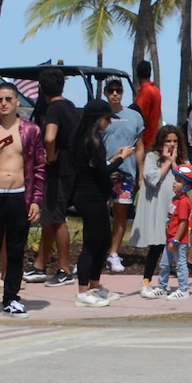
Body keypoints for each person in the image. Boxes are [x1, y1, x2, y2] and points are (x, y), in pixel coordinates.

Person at [0, 83, 44, 317]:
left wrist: (35, 200)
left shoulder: (31, 130)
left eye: (8, 99)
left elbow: (40, 168)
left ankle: (12, 297)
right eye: (0, 99)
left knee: (15, 251)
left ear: (17, 103)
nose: (4, 103)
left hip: (18, 196)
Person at [34, 67, 79, 286]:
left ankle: (64, 268)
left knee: (57, 217)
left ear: (40, 88)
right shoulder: (69, 107)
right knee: (50, 217)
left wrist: (49, 156)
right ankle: (39, 265)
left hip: (59, 169)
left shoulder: (53, 109)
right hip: (71, 168)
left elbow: (50, 137)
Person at [71, 104, 118, 306]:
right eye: (107, 118)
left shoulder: (91, 138)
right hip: (89, 197)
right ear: (98, 117)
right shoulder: (90, 139)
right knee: (91, 243)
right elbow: (102, 172)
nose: (109, 122)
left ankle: (94, 285)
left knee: (104, 241)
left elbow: (100, 168)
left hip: (96, 196)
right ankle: (83, 291)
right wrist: (121, 159)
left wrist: (114, 159)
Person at [100, 78, 143, 273]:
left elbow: (140, 147)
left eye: (118, 90)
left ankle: (113, 254)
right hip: (102, 173)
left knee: (120, 214)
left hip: (125, 174)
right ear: (105, 93)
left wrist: (140, 175)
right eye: (111, 90)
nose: (115, 94)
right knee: (98, 216)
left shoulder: (134, 116)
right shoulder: (99, 116)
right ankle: (96, 253)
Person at [132, 126, 181, 294]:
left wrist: (174, 161)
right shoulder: (152, 157)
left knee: (174, 247)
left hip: (175, 208)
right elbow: (152, 178)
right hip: (157, 207)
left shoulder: (181, 159)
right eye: (168, 141)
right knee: (157, 245)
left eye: (175, 141)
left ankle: (167, 282)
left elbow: (185, 179)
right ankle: (146, 282)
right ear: (161, 142)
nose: (172, 144)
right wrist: (167, 161)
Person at [154, 164, 192, 298]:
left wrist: (176, 239)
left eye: (179, 181)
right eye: (175, 179)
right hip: (169, 238)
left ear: (188, 186)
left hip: (178, 241)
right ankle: (162, 287)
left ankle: (183, 289)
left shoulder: (184, 202)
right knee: (164, 264)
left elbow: (183, 222)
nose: (174, 182)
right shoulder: (175, 199)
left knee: (181, 265)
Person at [132, 59, 162, 155]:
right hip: (152, 140)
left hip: (145, 143)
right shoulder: (155, 90)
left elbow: (140, 118)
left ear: (137, 75)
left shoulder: (145, 92)